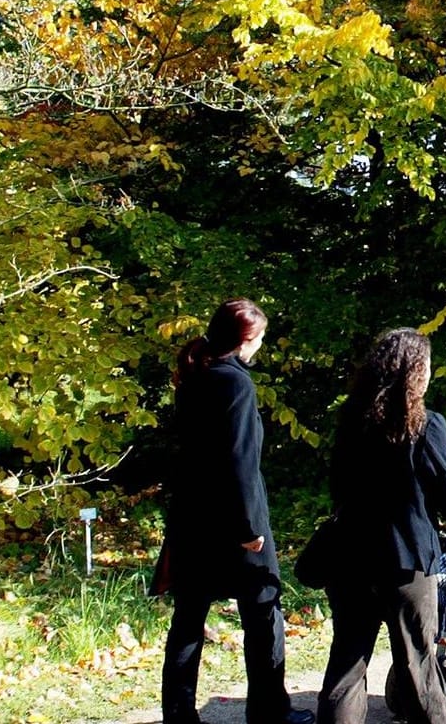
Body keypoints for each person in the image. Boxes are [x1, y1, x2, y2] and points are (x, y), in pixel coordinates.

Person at [156, 298, 313, 724]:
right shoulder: (236, 383)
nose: (261, 346)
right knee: (264, 615)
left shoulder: (194, 376)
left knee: (188, 620)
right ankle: (269, 712)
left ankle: (179, 714)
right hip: (233, 522)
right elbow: (240, 460)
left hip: (192, 518)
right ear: (245, 339)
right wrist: (249, 527)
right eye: (259, 338)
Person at [317, 328, 446, 724]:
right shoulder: (425, 425)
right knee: (418, 664)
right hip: (405, 561)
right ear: (416, 371)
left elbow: (337, 484)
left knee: (348, 664)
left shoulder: (351, 419)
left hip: (349, 554)